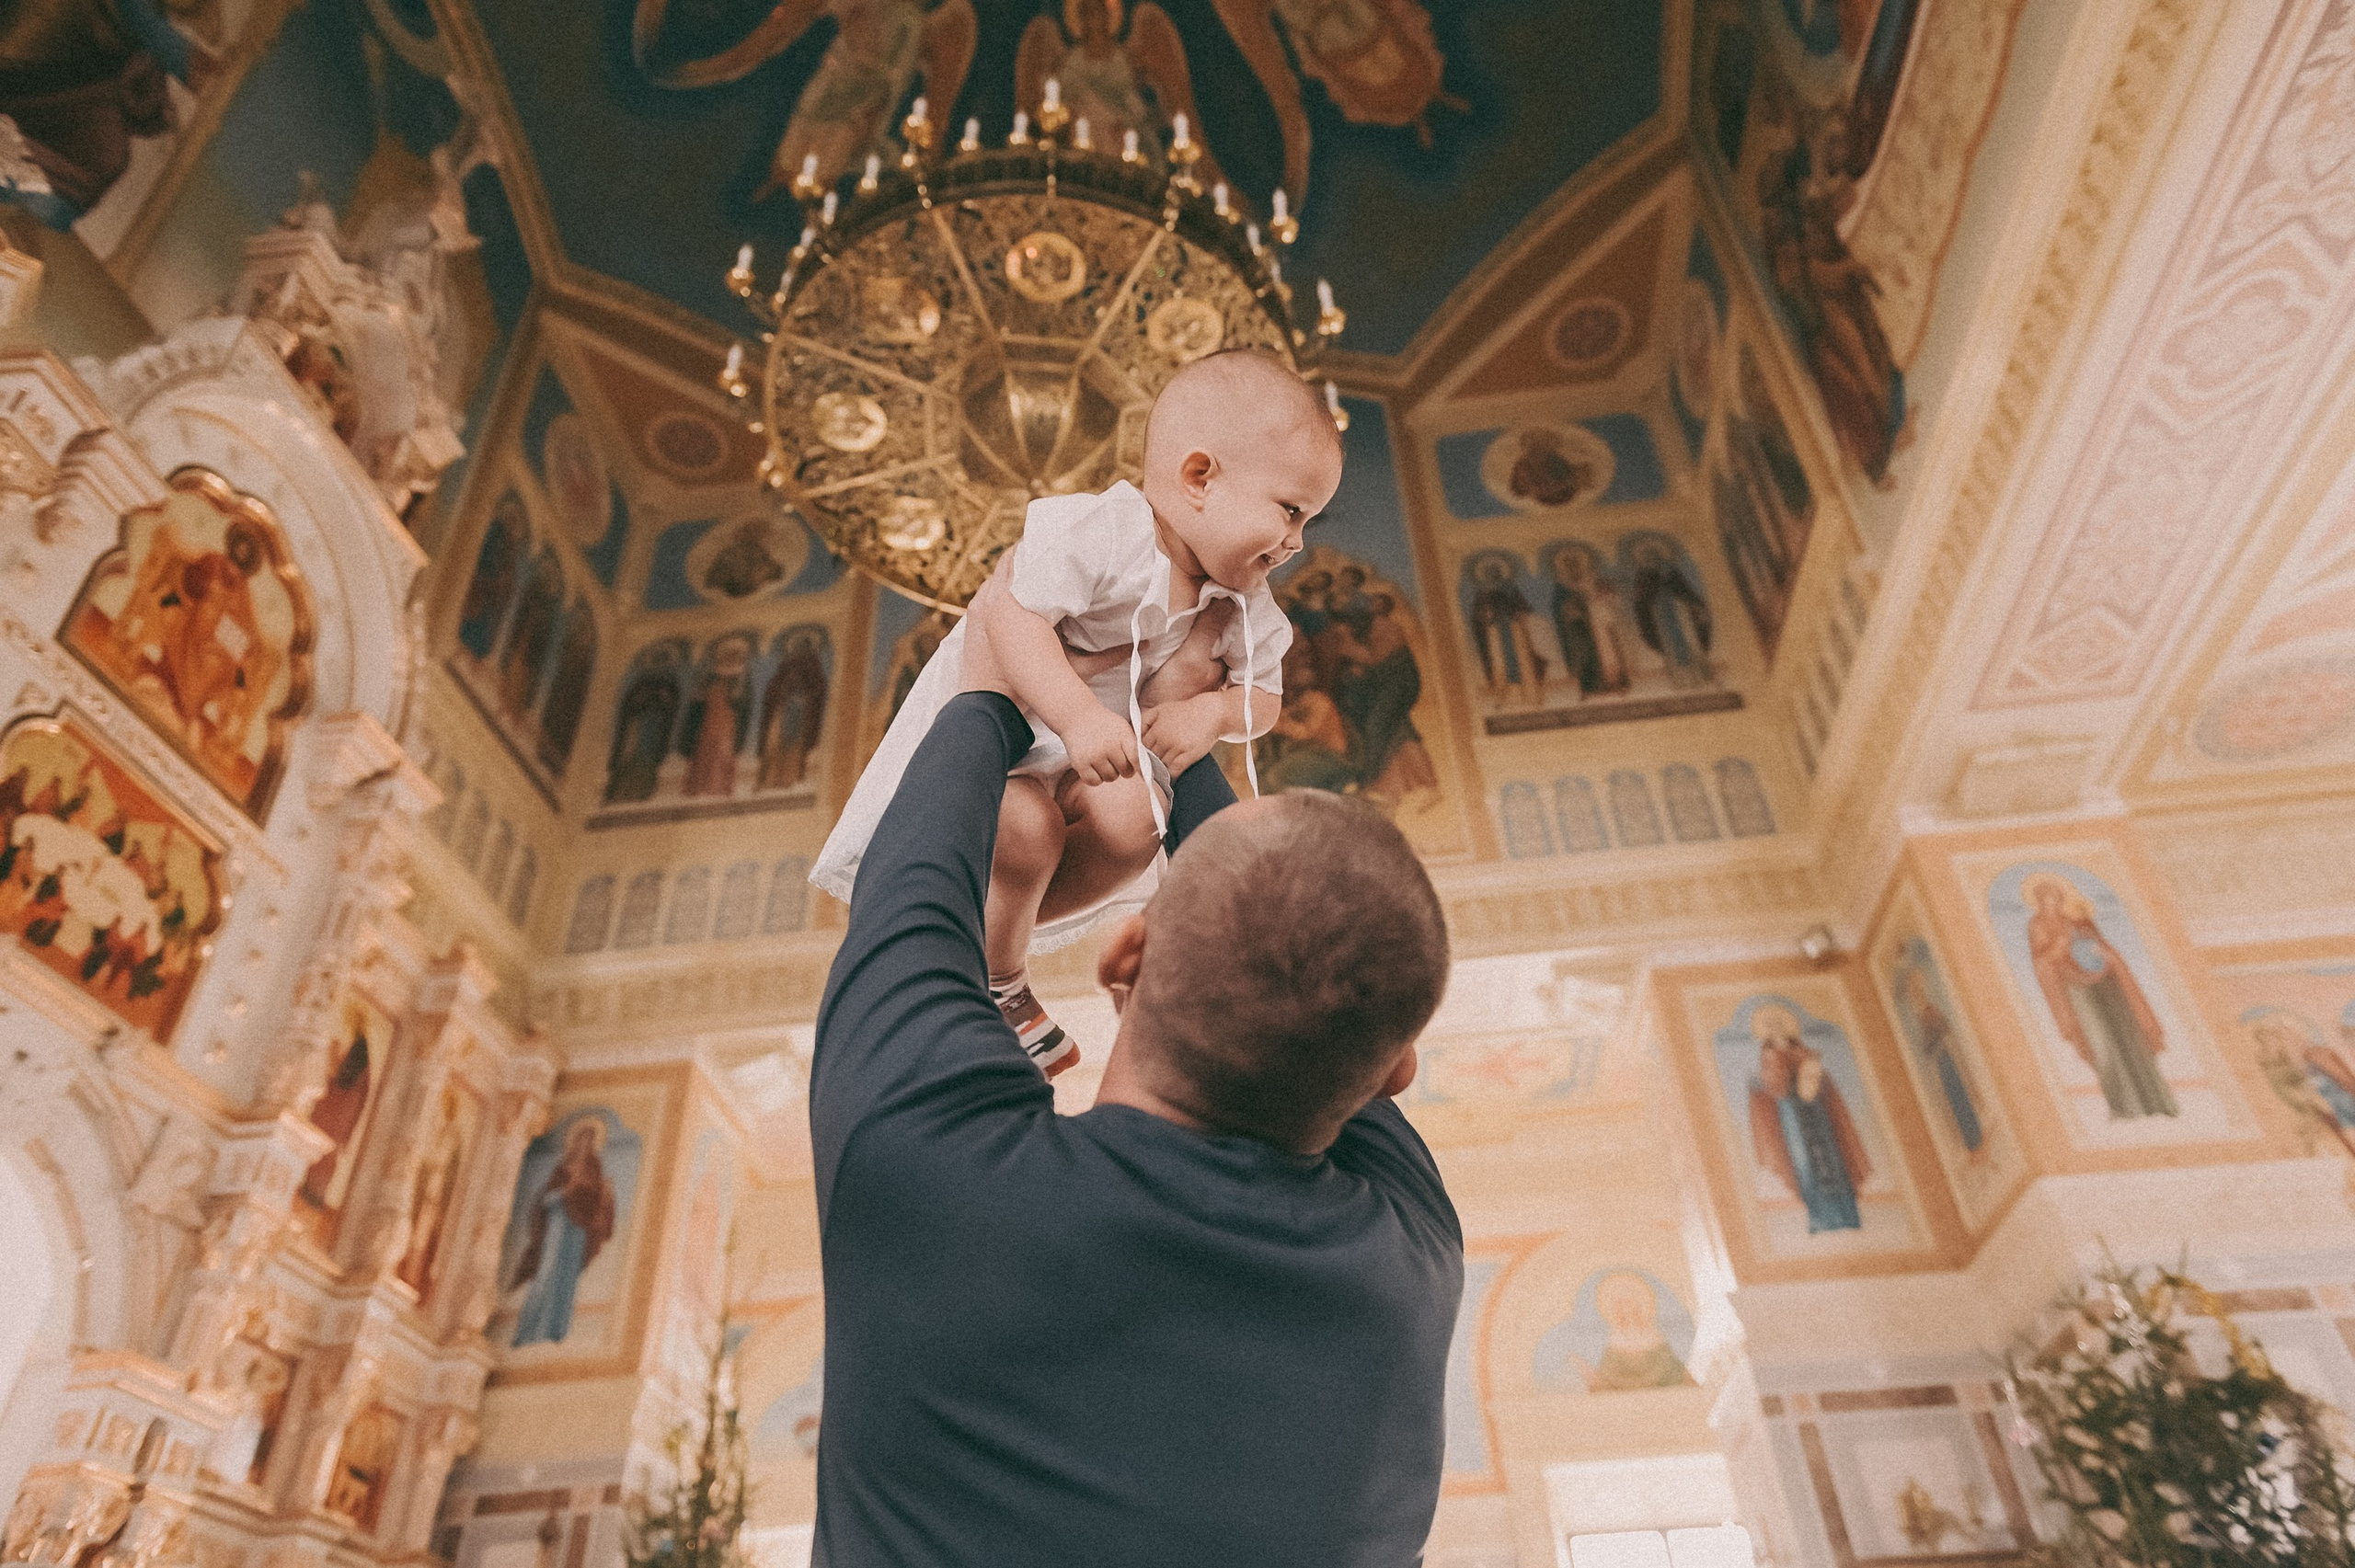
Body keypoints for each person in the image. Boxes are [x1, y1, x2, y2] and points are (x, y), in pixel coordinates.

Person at [806, 583, 1462, 1565]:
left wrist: (1001, 685)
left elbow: (908, 887)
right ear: (1395, 1072)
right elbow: (1305, 935)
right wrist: (1156, 734)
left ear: (1123, 960)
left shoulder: (928, 1171)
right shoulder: (1406, 1263)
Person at [814, 350, 1334, 1074]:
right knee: (1024, 824)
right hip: (1012, 748)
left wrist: (1214, 713)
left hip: (1093, 773)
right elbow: (1015, 619)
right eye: (1290, 510)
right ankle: (1002, 980)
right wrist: (1079, 718)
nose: (1297, 541)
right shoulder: (1103, 531)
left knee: (1137, 816)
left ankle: (1001, 936)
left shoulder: (1246, 607)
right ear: (1200, 478)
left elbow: (1268, 699)